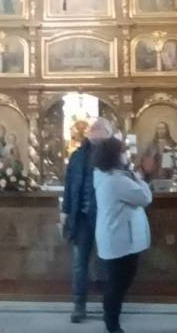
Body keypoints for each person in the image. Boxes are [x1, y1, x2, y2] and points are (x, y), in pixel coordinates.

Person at [93, 136, 151, 333]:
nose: (126, 156)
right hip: (121, 239)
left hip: (116, 236)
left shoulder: (104, 175)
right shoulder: (118, 180)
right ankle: (112, 324)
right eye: (123, 152)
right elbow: (145, 198)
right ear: (115, 156)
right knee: (118, 283)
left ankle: (110, 318)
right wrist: (138, 178)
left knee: (117, 281)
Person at [62, 118, 115, 322]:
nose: (95, 131)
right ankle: (79, 305)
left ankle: (110, 306)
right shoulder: (77, 155)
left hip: (106, 216)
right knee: (79, 263)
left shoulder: (113, 155)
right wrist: (66, 211)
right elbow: (70, 184)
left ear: (108, 134)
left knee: (108, 263)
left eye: (100, 129)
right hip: (81, 216)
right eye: (94, 129)